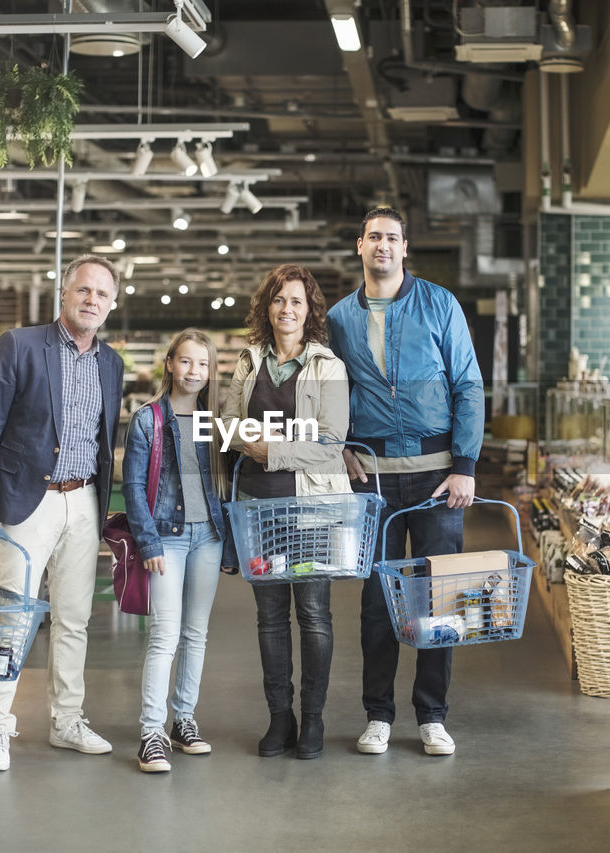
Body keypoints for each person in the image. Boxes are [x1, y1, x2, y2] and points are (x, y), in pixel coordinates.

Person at [327, 206, 484, 757]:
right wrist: (340, 448)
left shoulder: (439, 304)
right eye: (374, 237)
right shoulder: (340, 317)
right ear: (360, 245)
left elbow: (468, 384)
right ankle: (378, 715)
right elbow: (330, 392)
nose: (383, 247)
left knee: (437, 598)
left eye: (392, 238)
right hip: (372, 483)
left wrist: (464, 464)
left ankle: (432, 715)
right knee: (377, 603)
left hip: (437, 478)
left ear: (405, 246)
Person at [0, 254, 125, 772]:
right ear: (65, 293)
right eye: (84, 290)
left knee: (74, 619)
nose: (91, 300)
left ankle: (66, 721)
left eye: (102, 294)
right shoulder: (20, 345)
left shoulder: (111, 363)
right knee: (12, 616)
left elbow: (104, 442)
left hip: (83, 501)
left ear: (112, 304)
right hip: (24, 499)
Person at [221, 264, 350, 760]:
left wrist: (268, 450)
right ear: (266, 308)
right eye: (278, 300)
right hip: (257, 507)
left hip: (312, 508)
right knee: (270, 619)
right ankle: (281, 718)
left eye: (297, 301)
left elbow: (331, 442)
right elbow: (227, 425)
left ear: (310, 310)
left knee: (314, 614)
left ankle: (313, 719)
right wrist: (250, 441)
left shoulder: (328, 366)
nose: (287, 309)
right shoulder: (249, 361)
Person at [122, 328, 229, 773]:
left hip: (208, 537)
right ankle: (152, 732)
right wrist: (147, 541)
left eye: (203, 364)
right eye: (186, 361)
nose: (194, 371)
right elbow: (131, 486)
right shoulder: (148, 419)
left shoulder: (215, 421)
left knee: (196, 634)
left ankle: (184, 719)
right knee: (164, 635)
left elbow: (226, 481)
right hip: (166, 537)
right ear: (170, 363)